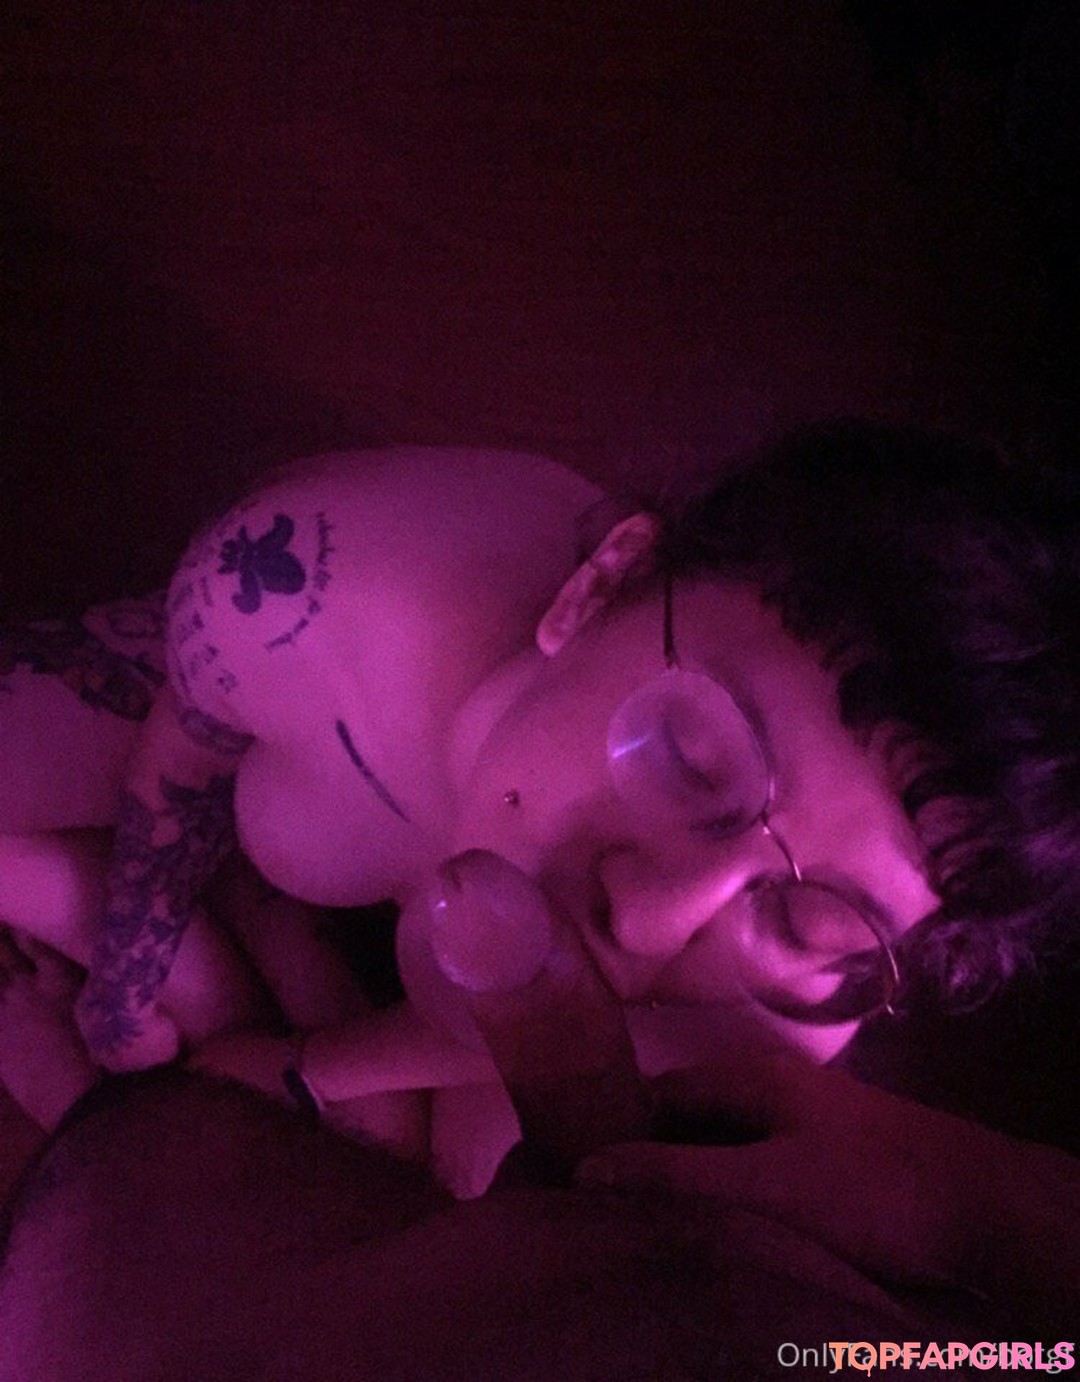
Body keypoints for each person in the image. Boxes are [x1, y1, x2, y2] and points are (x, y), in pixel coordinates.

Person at [1, 423, 1077, 1199]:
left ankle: (249, 948)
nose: (649, 921)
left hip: (345, 961)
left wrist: (309, 1069)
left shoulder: (799, 1003)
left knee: (484, 1193)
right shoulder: (311, 596)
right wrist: (127, 980)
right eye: (694, 758)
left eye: (804, 916)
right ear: (599, 586)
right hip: (249, 727)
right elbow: (181, 755)